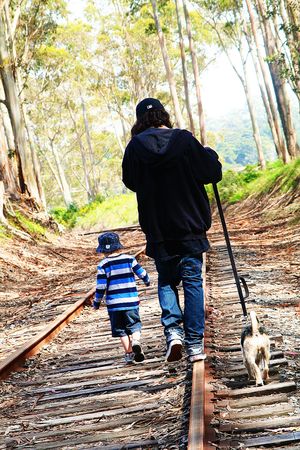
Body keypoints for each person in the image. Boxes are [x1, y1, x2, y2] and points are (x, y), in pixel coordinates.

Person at [122, 98, 222, 363]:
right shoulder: (184, 140)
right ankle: (194, 345)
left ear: (139, 121)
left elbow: (130, 181)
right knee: (191, 280)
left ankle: (174, 333)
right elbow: (212, 172)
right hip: (190, 225)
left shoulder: (134, 147)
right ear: (164, 116)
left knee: (167, 280)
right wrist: (210, 154)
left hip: (158, 228)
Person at [93, 232, 150, 364]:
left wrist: (97, 302)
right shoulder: (129, 259)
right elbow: (142, 273)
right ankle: (136, 340)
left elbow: (101, 286)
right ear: (119, 246)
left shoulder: (103, 265)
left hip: (114, 305)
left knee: (121, 330)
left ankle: (129, 353)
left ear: (102, 250)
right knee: (135, 325)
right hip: (131, 301)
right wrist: (146, 281)